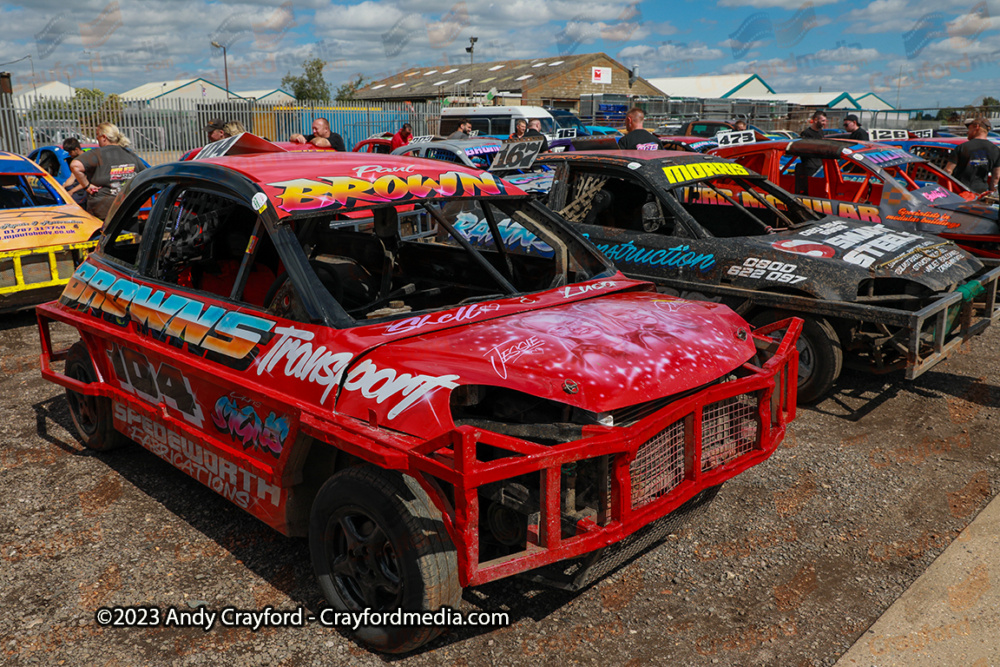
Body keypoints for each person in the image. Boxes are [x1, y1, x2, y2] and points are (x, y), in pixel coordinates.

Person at [69, 122, 146, 221]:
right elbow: (144, 174)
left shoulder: (96, 154)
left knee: (104, 236)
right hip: (129, 209)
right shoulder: (130, 154)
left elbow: (75, 165)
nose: (97, 138)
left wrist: (87, 186)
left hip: (103, 212)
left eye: (97, 135)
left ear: (104, 137)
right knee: (129, 236)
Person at [945, 117, 1000, 194]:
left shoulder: (962, 147)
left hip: (960, 192)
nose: (967, 132)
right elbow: (996, 176)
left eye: (969, 129)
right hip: (981, 194)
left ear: (976, 127)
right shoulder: (996, 150)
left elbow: (948, 171)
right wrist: (991, 194)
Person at [794, 110, 827, 194]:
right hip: (810, 166)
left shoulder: (821, 132)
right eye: (823, 120)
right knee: (810, 189)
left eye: (825, 121)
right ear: (816, 120)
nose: (824, 123)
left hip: (820, 165)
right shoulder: (806, 133)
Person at [61, 137, 88, 208]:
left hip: (85, 191)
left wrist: (71, 191)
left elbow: (87, 182)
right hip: (77, 189)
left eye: (70, 152)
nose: (69, 154)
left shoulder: (87, 159)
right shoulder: (76, 161)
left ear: (76, 149)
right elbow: (72, 177)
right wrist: (62, 188)